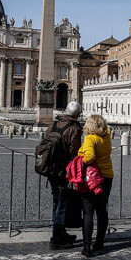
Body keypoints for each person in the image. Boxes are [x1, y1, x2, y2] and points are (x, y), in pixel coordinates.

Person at [46, 101, 83, 250]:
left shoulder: (53, 125)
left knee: (57, 201)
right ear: (77, 114)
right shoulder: (74, 129)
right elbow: (75, 152)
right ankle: (56, 238)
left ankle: (62, 232)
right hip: (64, 171)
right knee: (62, 203)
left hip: (51, 169)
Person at [79, 114, 114, 257]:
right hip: (107, 176)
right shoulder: (106, 138)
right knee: (101, 210)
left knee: (88, 211)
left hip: (92, 178)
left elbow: (90, 157)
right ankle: (100, 242)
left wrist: (79, 161)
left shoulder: (90, 138)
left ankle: (87, 245)